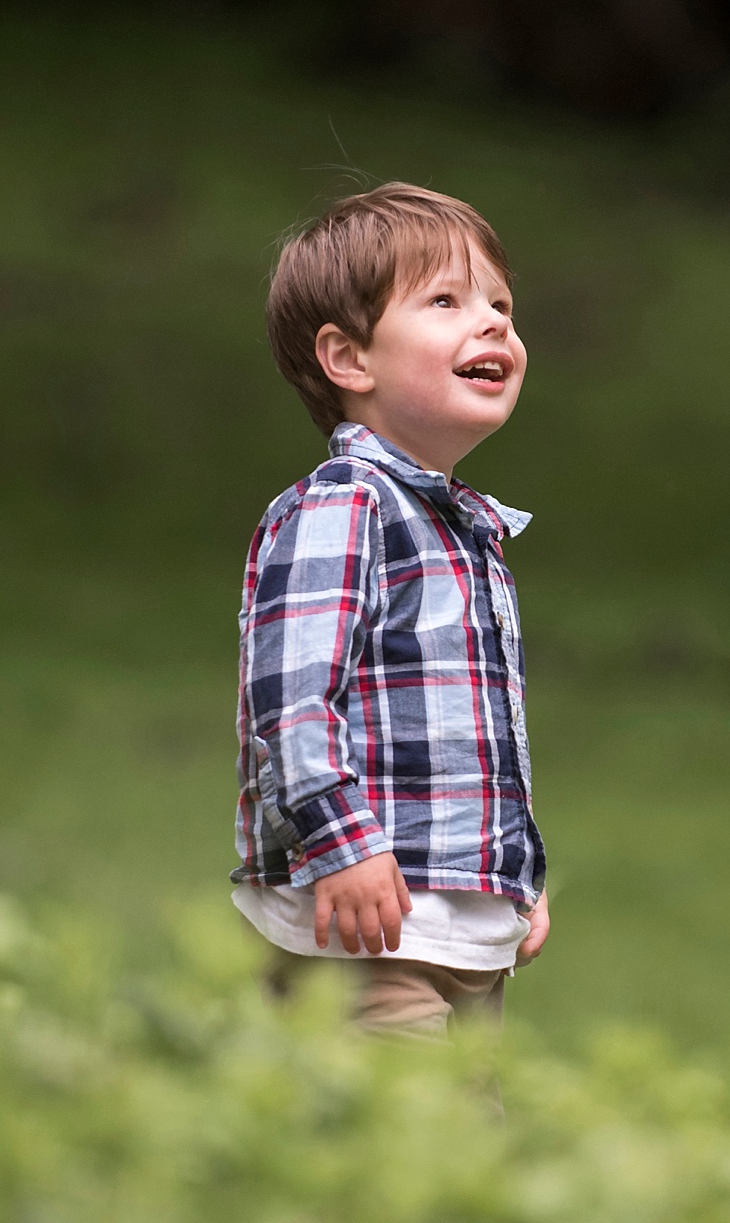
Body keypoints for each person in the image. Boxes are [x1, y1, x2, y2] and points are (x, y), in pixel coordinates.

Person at [231, 181, 550, 1035]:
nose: (491, 323)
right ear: (349, 359)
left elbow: (469, 735)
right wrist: (344, 844)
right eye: (446, 301)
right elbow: (292, 701)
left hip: (459, 931)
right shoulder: (344, 508)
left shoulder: (458, 528)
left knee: (465, 1153)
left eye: (500, 305)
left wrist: (515, 879)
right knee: (391, 1148)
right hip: (367, 931)